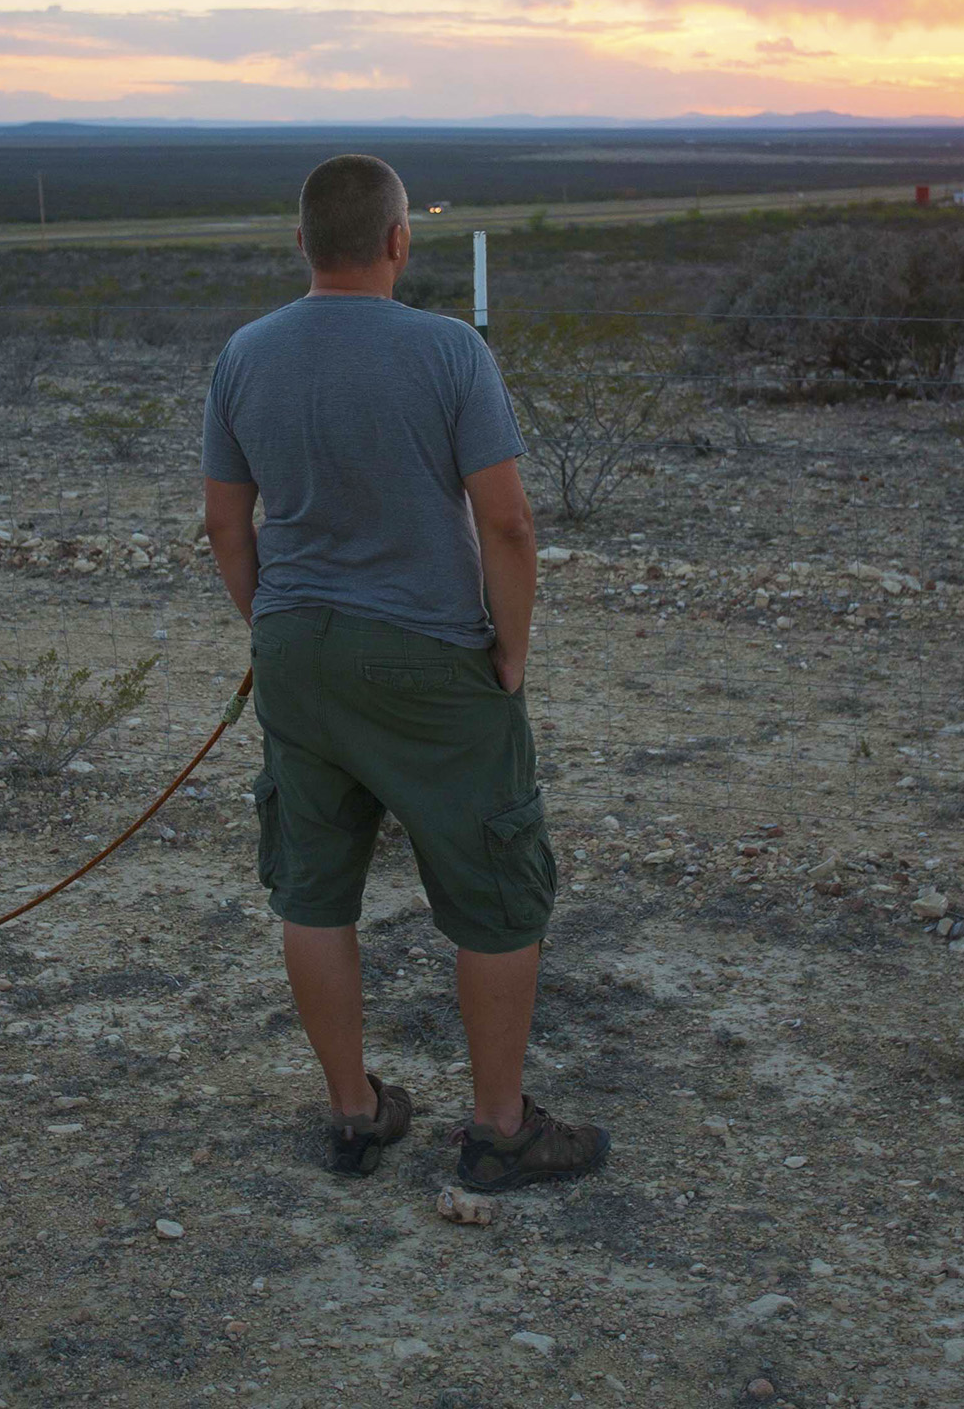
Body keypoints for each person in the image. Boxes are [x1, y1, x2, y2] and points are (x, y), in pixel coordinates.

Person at [200, 153, 609, 1189]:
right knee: (496, 893)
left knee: (313, 888)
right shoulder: (448, 352)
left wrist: (273, 623)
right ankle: (499, 1130)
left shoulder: (243, 354)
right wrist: (508, 647)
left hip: (296, 651)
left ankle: (354, 1114)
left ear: (300, 243)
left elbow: (222, 519)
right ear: (398, 241)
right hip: (430, 657)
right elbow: (508, 521)